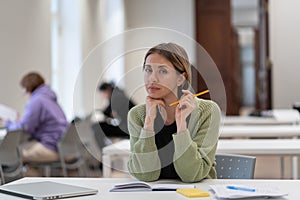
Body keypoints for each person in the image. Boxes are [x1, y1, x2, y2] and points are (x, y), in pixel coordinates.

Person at [127, 43, 221, 183]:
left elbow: (192, 175)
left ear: (180, 79)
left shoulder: (208, 111)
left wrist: (182, 126)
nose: (152, 78)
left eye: (163, 71)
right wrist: (148, 123)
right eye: (148, 70)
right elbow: (145, 175)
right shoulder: (137, 115)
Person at [5, 72, 69, 165]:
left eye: (23, 88)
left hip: (51, 147)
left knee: (10, 153)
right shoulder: (49, 97)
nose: (23, 93)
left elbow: (25, 127)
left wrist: (8, 123)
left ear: (28, 87)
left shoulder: (36, 100)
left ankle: (35, 177)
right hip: (62, 145)